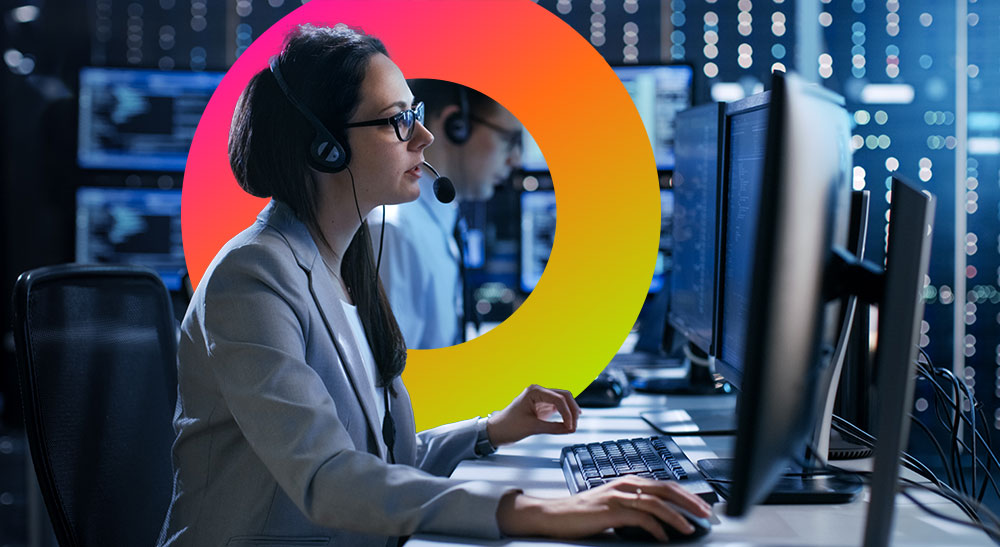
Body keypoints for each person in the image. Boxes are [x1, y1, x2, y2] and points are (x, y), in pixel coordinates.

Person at [158, 24, 711, 546]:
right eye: (398, 120)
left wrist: (488, 432)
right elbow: (328, 476)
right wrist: (542, 512)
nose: (423, 137)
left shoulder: (347, 264)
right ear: (326, 146)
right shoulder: (252, 278)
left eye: (416, 114)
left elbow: (379, 462)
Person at [369, 79, 522, 349]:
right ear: (457, 127)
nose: (515, 160)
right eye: (509, 140)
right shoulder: (396, 232)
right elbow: (393, 381)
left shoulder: (438, 221)